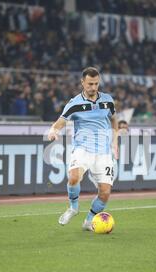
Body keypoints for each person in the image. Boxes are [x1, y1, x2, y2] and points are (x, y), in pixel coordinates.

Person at [47, 67, 118, 231]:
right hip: (82, 149)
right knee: (73, 177)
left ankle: (89, 221)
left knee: (105, 193)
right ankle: (73, 207)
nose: (93, 87)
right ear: (82, 83)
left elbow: (114, 119)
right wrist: (53, 130)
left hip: (104, 153)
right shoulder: (75, 104)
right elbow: (60, 121)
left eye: (96, 84)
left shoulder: (108, 100)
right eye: (90, 84)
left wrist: (115, 140)